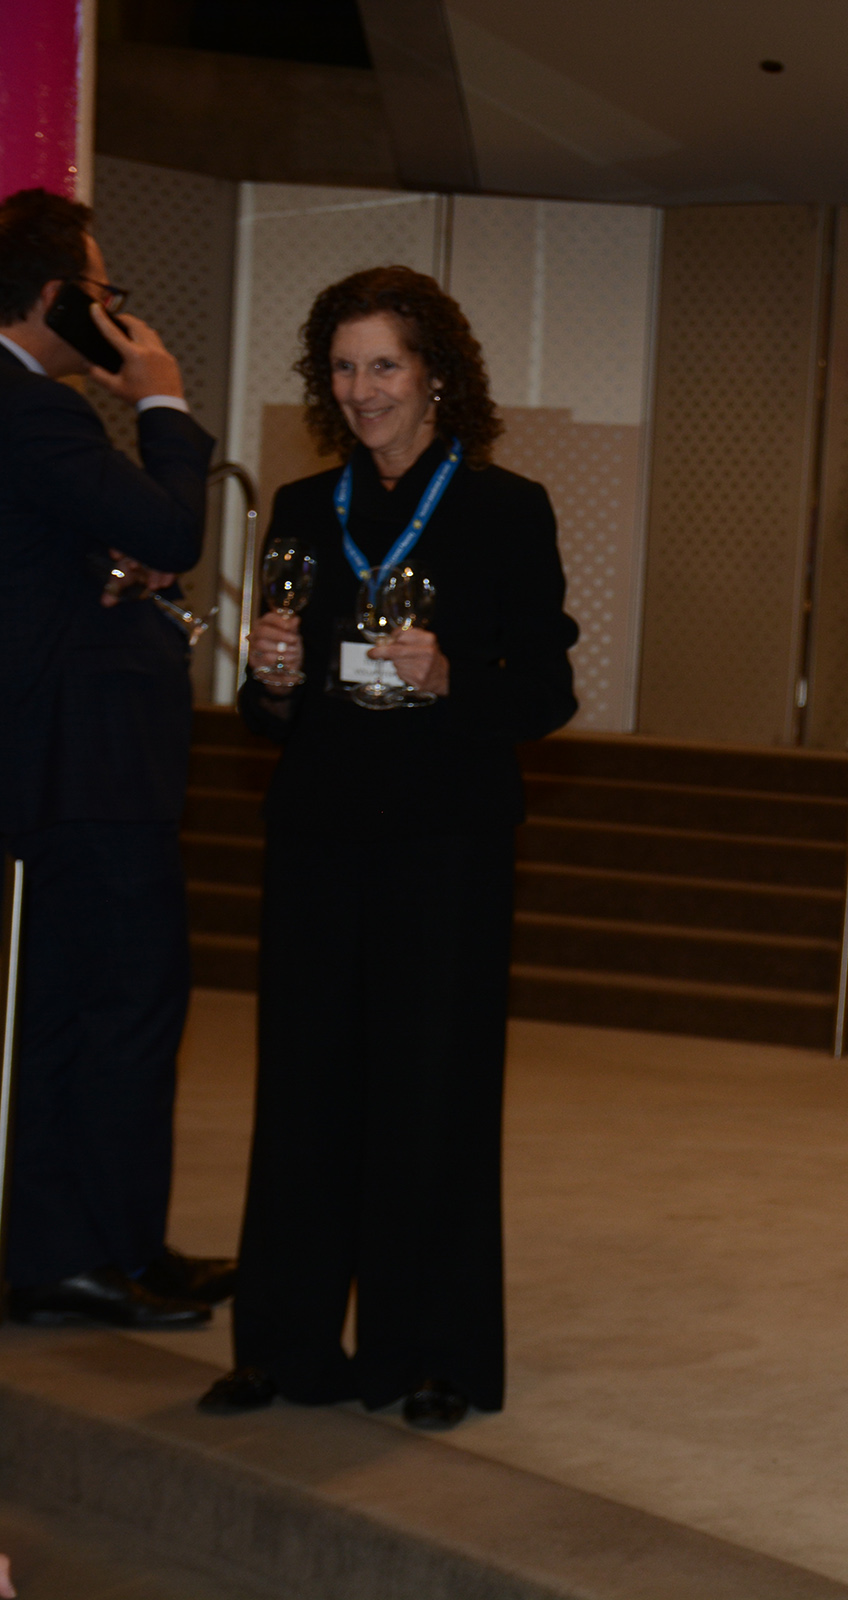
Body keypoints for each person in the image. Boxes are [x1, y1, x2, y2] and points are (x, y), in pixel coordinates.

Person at [197, 267, 578, 1431]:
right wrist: (269, 678)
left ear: (435, 375)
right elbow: (275, 711)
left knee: (432, 1094)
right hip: (319, 834)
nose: (362, 390)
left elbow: (546, 692)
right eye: (344, 367)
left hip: (445, 845)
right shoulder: (304, 507)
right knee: (302, 1088)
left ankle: (432, 1354)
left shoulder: (507, 510)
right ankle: (285, 1345)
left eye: (384, 365)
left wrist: (453, 675)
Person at [0, 187, 232, 1330]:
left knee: (62, 1012)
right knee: (125, 1005)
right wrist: (163, 401)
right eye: (102, 293)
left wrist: (113, 559)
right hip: (83, 768)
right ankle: (86, 1252)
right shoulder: (37, 410)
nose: (114, 314)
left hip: (53, 765)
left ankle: (103, 1243)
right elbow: (175, 528)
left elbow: (67, 549)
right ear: (57, 298)